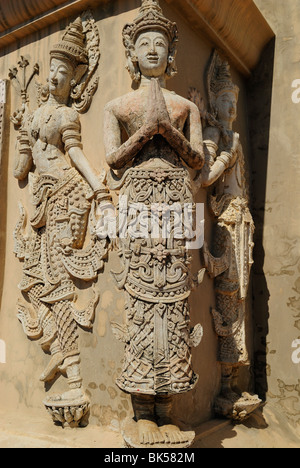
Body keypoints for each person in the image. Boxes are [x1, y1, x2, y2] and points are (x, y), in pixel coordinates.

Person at [104, 0, 204, 446]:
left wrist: (170, 128)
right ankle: (142, 408)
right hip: (138, 205)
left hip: (177, 207)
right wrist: (150, 130)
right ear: (132, 53)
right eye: (143, 43)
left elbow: (197, 159)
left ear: (170, 53)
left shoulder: (185, 106)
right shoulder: (119, 106)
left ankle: (168, 408)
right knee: (142, 299)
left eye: (159, 43)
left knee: (175, 299)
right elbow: (113, 160)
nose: (151, 49)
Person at [13, 17, 109, 426]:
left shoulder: (67, 117)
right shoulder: (34, 117)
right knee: (36, 283)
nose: (54, 78)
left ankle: (72, 375)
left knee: (60, 286)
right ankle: (58, 353)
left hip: (65, 196)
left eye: (64, 74)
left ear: (74, 83)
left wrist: (98, 189)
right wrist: (21, 135)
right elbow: (21, 171)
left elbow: (77, 157)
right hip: (39, 208)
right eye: (52, 71)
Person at [195, 50, 261, 420]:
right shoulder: (214, 134)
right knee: (228, 295)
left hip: (241, 225)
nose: (231, 108)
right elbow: (205, 177)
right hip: (222, 224)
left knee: (243, 296)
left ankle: (235, 381)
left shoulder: (232, 135)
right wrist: (227, 154)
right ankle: (224, 384)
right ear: (214, 102)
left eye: (233, 101)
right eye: (224, 100)